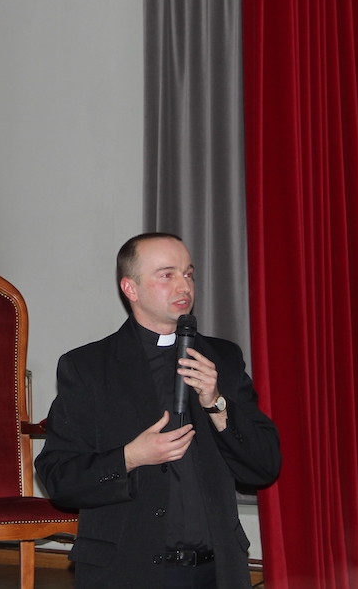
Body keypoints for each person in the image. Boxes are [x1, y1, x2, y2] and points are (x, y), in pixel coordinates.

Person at [35, 232, 281, 589]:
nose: (184, 285)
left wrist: (217, 404)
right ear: (130, 288)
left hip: (216, 571)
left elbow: (264, 467)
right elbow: (59, 478)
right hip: (127, 572)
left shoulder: (223, 359)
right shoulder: (88, 367)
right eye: (167, 275)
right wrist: (130, 457)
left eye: (189, 273)